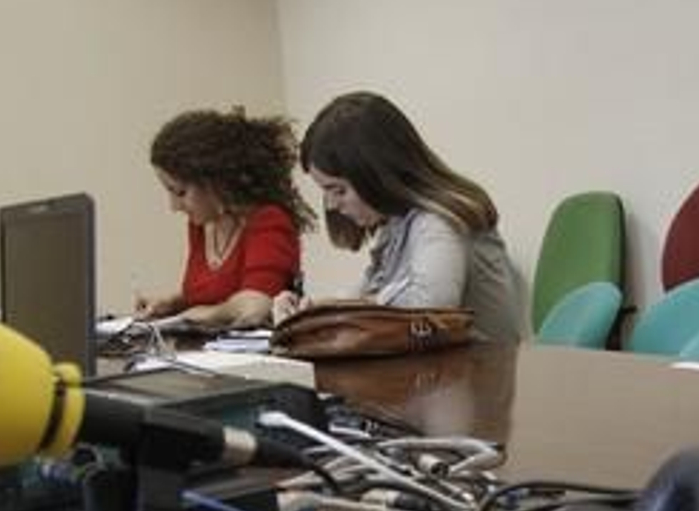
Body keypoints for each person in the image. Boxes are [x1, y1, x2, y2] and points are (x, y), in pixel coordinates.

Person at [272, 92, 522, 342]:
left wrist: (344, 308)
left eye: (339, 190)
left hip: (480, 373)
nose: (331, 205)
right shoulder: (396, 226)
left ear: (378, 176)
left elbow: (432, 304)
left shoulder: (440, 220)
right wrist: (311, 310)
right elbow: (367, 295)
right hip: (440, 371)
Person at [135, 108, 314, 329]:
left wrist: (203, 314)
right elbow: (217, 292)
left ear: (214, 182)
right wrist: (173, 304)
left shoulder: (269, 220)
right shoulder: (201, 225)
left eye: (180, 192)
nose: (173, 206)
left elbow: (257, 307)